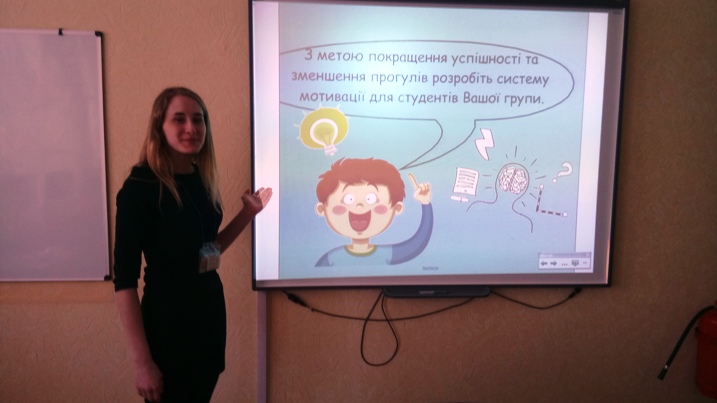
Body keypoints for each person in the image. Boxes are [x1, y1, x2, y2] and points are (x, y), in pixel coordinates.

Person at [113, 87, 272, 402]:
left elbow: (206, 253)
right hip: (168, 328)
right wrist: (142, 363)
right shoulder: (139, 188)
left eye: (198, 119)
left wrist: (247, 214)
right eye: (179, 119)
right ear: (160, 127)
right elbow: (124, 281)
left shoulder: (200, 178)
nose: (191, 128)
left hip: (208, 322)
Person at [314, 157, 432, 266]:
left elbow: (417, 244)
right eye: (348, 199)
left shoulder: (386, 254)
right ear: (322, 209)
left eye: (371, 199)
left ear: (397, 208)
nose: (359, 206)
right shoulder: (331, 259)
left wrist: (425, 203)